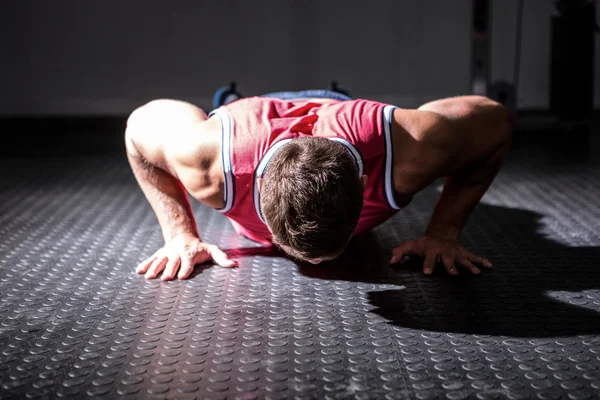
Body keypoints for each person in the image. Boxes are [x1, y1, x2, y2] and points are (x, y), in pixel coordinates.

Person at [125, 84, 512, 281]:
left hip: (338, 110)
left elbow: (495, 122)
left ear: (363, 183)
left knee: (338, 99)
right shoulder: (209, 160)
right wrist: (179, 235)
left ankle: (332, 97)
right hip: (250, 118)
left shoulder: (412, 147)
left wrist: (445, 232)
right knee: (226, 100)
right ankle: (231, 96)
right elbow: (137, 130)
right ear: (256, 189)